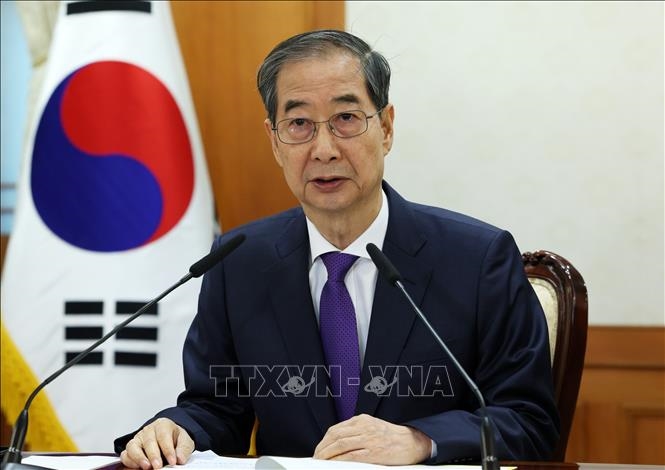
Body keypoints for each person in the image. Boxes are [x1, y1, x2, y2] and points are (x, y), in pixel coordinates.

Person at [115, 29, 559, 468]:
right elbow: (217, 407)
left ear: (386, 128)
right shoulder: (239, 262)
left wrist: (422, 440)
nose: (323, 150)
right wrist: (177, 429)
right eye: (299, 124)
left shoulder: (477, 259)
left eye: (346, 118)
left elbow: (529, 423)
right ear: (274, 141)